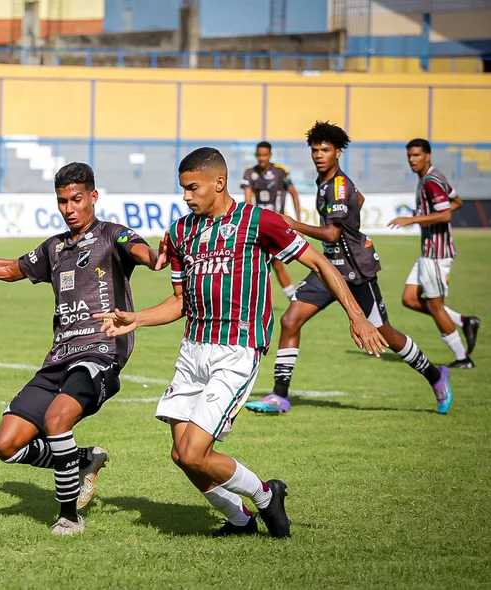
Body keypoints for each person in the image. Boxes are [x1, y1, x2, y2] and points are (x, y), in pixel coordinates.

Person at [95, 147, 387, 538]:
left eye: (192, 188)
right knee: (182, 456)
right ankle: (241, 521)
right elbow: (180, 302)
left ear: (219, 183)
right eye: (182, 189)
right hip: (192, 350)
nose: (186, 197)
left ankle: (267, 496)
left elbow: (320, 263)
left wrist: (355, 314)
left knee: (195, 452)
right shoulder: (181, 231)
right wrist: (136, 319)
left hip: (236, 349)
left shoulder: (258, 222)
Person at [0, 162, 168, 536]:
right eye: (62, 201)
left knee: (56, 422)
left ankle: (69, 516)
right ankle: (83, 459)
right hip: (58, 359)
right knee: (6, 444)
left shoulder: (113, 235)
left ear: (93, 198)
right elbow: (8, 269)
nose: (69, 208)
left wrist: (156, 257)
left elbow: (143, 252)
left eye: (76, 199)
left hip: (100, 352)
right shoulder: (54, 248)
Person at [246, 122, 453, 416]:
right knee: (290, 320)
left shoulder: (338, 185)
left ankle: (435, 375)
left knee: (385, 334)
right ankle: (279, 396)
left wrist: (292, 224)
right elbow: (359, 201)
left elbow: (332, 234)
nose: (319, 155)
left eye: (325, 150)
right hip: (328, 268)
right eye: (315, 150)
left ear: (338, 152)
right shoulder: (326, 181)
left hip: (356, 269)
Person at [388, 138, 479, 368]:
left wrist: (413, 219)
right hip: (428, 252)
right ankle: (463, 321)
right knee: (409, 298)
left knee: (435, 306)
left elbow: (447, 214)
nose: (412, 160)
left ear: (427, 155)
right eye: (409, 156)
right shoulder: (433, 176)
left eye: (417, 155)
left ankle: (462, 358)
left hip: (437, 254)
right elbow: (455, 201)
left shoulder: (430, 181)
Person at [240, 141, 301, 300]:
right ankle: (292, 299)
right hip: (258, 224)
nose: (262, 158)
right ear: (256, 155)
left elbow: (294, 194)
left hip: (277, 224)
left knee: (279, 264)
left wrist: (299, 222)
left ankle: (295, 300)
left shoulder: (280, 172)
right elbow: (247, 198)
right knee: (267, 264)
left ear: (270, 155)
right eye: (259, 155)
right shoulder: (249, 173)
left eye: (265, 155)